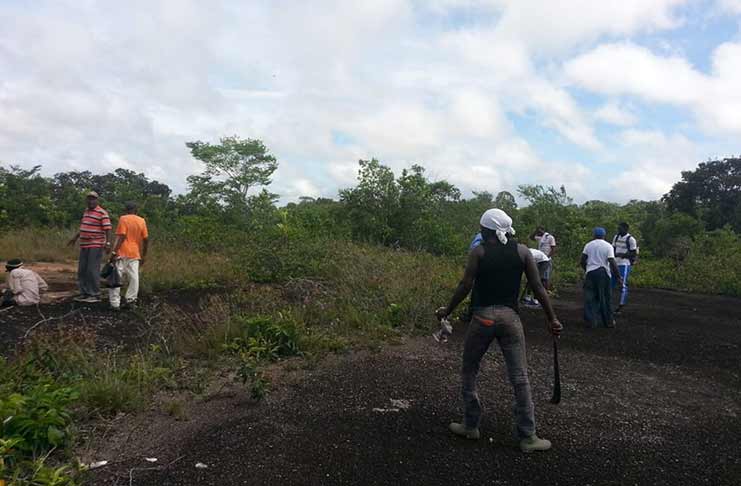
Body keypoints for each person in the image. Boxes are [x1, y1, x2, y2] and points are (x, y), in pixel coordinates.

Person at [436, 209, 562, 453]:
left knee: (470, 369)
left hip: (482, 318)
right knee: (520, 377)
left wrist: (447, 311)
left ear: (486, 230)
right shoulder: (523, 251)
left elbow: (466, 285)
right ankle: (528, 436)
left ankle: (471, 425)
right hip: (510, 319)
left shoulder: (479, 252)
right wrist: (552, 319)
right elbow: (537, 287)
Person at [67, 191, 113, 303]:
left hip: (96, 244)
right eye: (89, 199)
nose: (90, 201)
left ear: (97, 200)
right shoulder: (86, 211)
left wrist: (107, 244)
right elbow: (83, 226)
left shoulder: (102, 213)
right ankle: (84, 293)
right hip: (84, 244)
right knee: (82, 270)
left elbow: (107, 230)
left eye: (93, 199)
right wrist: (75, 238)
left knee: (92, 270)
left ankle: (94, 294)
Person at [108, 202, 149, 310]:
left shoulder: (123, 219)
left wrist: (113, 253)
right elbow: (146, 239)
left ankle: (115, 303)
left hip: (121, 252)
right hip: (135, 253)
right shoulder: (142, 221)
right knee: (134, 278)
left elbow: (122, 236)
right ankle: (131, 300)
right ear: (136, 210)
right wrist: (144, 255)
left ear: (126, 210)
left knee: (116, 278)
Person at [581, 227, 623, 328]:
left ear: (594, 235)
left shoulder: (588, 245)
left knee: (590, 297)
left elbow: (582, 260)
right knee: (605, 297)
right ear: (604, 235)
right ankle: (608, 321)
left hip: (591, 273)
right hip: (603, 273)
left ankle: (591, 320)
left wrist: (587, 269)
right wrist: (618, 277)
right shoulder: (608, 246)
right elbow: (612, 262)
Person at [611, 222, 638, 314]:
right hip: (615, 263)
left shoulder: (631, 239)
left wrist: (622, 255)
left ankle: (621, 306)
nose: (618, 230)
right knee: (611, 283)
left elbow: (633, 253)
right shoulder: (616, 237)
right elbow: (613, 248)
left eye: (620, 228)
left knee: (622, 284)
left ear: (626, 229)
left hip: (624, 264)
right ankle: (609, 304)